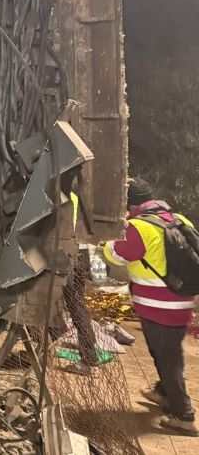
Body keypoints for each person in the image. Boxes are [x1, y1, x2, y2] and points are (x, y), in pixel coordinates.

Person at [102, 177, 198, 436]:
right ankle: (163, 392)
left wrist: (107, 241)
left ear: (130, 203)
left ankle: (184, 415)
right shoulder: (179, 219)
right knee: (167, 353)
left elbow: (116, 254)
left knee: (168, 359)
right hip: (181, 302)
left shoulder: (137, 226)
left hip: (158, 307)